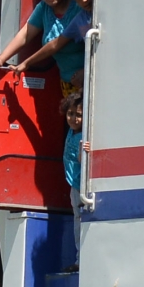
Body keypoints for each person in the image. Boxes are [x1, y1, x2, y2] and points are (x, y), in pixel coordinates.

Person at [0, 0, 83, 96]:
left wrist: (86, 71)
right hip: (67, 82)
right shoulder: (44, 8)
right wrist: (1, 59)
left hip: (87, 78)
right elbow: (25, 35)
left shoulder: (79, 7)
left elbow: (56, 44)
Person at [10, 0, 94, 87]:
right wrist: (24, 63)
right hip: (73, 82)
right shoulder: (80, 19)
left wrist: (87, 70)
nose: (84, 0)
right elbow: (55, 44)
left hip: (94, 76)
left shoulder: (95, 13)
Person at [60, 92, 90, 273]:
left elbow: (81, 159)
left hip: (81, 185)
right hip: (74, 184)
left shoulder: (82, 136)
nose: (73, 119)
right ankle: (79, 258)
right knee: (77, 221)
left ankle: (81, 259)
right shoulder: (71, 131)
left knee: (81, 221)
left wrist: (83, 149)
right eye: (70, 114)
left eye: (78, 115)